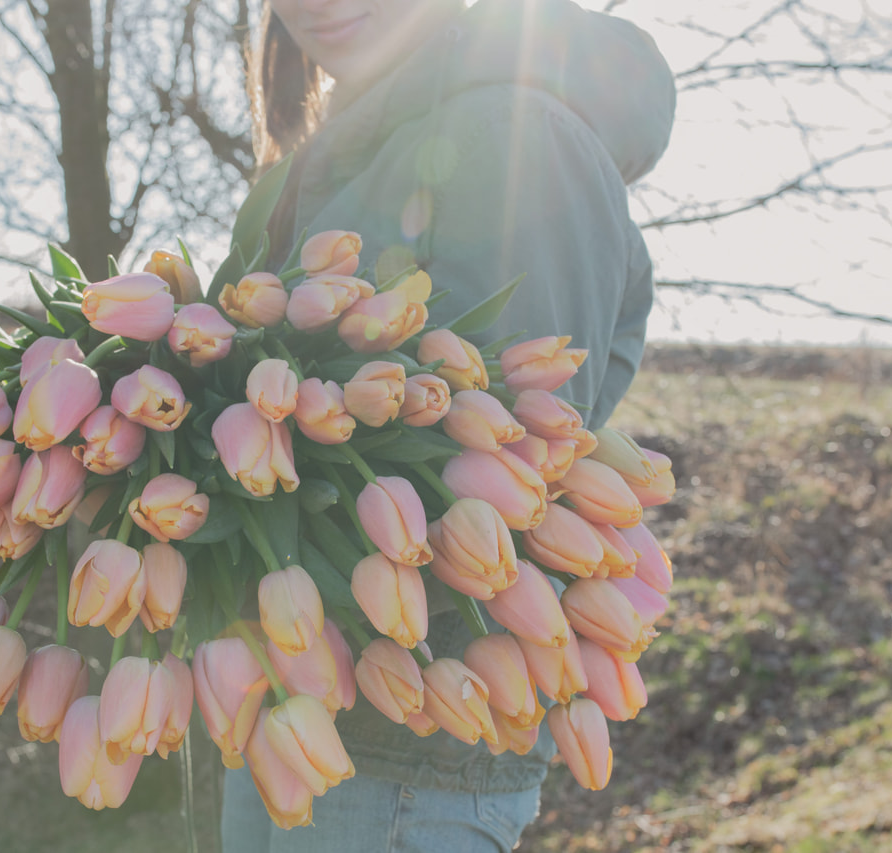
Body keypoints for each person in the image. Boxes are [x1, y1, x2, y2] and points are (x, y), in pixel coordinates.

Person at [220, 1, 676, 850]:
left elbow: (507, 448)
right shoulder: (348, 148)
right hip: (299, 693)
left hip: (412, 734)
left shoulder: (514, 134)